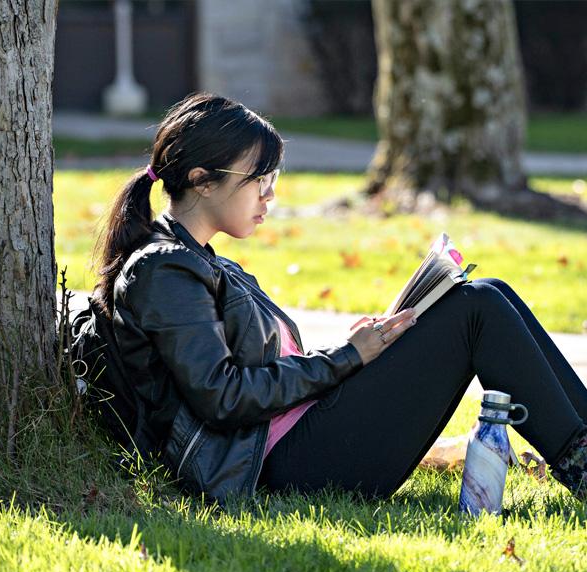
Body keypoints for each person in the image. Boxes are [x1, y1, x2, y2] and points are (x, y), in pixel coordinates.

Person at [92, 91, 587, 506]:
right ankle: (581, 465)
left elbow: (258, 369)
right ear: (202, 180)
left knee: (488, 294)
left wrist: (354, 351)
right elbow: (223, 398)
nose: (269, 197)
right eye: (258, 182)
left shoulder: (197, 259)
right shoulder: (164, 271)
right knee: (476, 309)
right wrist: (349, 357)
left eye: (273, 182)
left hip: (302, 438)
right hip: (280, 466)